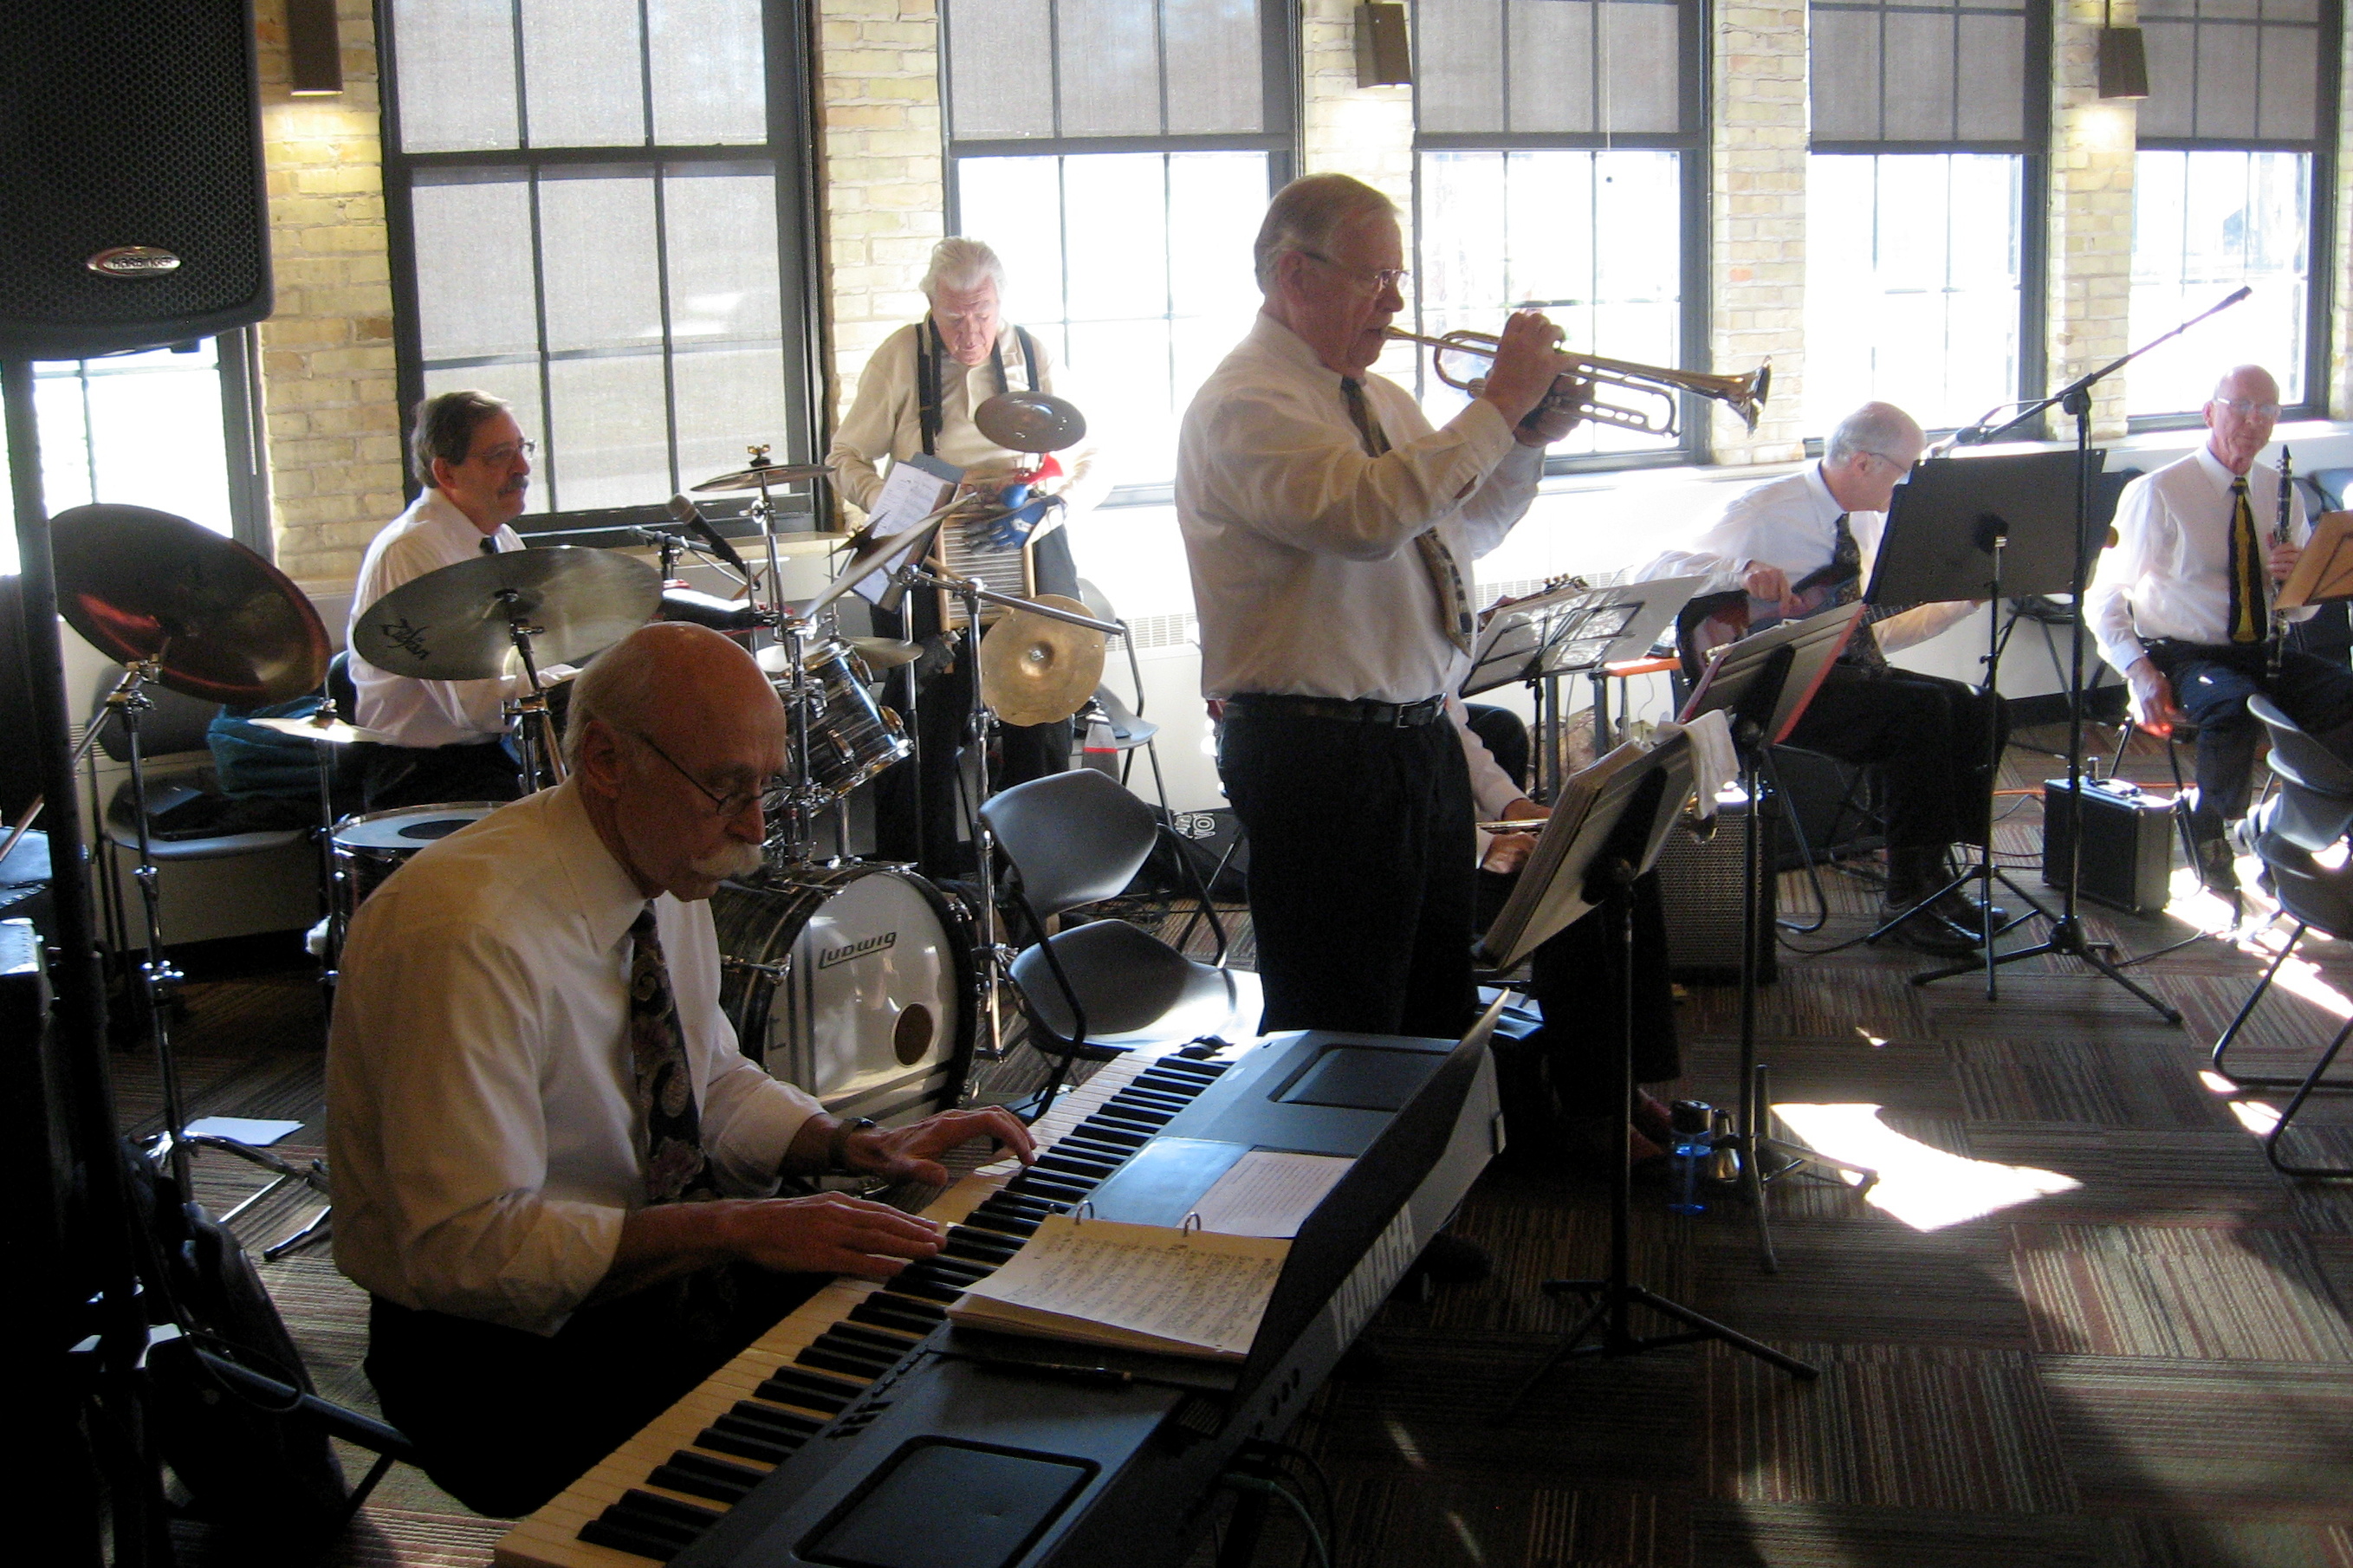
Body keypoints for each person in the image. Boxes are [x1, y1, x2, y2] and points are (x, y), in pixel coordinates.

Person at [327, 622, 1034, 1516]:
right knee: (825, 1456)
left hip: (662, 1278)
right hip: (499, 1362)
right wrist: (737, 1227)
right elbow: (467, 1252)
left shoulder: (657, 860)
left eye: (764, 787)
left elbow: (708, 1079)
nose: (753, 827)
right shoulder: (465, 933)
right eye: (725, 788)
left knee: (936, 1331)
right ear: (605, 761)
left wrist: (850, 1145)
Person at [1176, 172, 1577, 1041]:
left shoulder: (1381, 397)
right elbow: (1363, 519)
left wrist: (1518, 443)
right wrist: (1499, 403)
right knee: (1343, 1025)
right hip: (1320, 751)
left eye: (1398, 278)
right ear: (1295, 274)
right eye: (1375, 278)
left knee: (1432, 1009)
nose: (1394, 302)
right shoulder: (1246, 402)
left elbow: (1459, 531)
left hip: (1414, 739)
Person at [1640, 402, 2001, 955]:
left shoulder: (1869, 519)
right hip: (1765, 689)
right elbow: (1651, 571)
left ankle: (1933, 878)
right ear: (1863, 463)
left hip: (1843, 672)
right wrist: (1738, 571)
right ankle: (1907, 897)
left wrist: (1963, 597)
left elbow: (1870, 628)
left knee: (1981, 706)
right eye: (1907, 470)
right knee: (1924, 714)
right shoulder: (1764, 509)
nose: (1912, 485)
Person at [827, 237, 1110, 878]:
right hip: (932, 553)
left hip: (1025, 543)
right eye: (953, 316)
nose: (969, 331)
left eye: (982, 313)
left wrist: (1050, 509)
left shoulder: (1032, 353)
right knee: (925, 724)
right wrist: (904, 505)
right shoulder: (901, 356)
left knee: (1043, 713)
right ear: (931, 304)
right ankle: (924, 883)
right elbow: (844, 457)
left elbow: (1095, 458)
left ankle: (1036, 878)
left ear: (1000, 303)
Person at [2089, 363, 2353, 891]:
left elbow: (2300, 613)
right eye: (2242, 406)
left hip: (2262, 649)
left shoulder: (2281, 490)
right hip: (2184, 654)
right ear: (2210, 412)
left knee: (2346, 696)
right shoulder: (2158, 491)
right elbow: (2103, 597)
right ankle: (2209, 822)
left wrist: (2295, 581)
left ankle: (2289, 827)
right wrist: (2139, 672)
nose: (2254, 421)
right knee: (2234, 707)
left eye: (2267, 410)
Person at [347, 391, 552, 812]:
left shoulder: (500, 537)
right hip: (422, 776)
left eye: (521, 448)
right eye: (500, 455)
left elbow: (530, 656)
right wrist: (579, 685)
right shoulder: (411, 550)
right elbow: (473, 705)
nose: (523, 467)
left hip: (486, 757)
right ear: (446, 472)